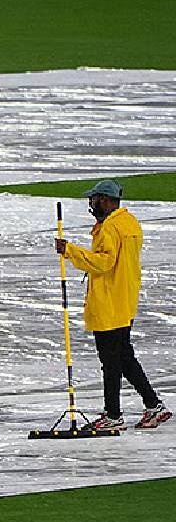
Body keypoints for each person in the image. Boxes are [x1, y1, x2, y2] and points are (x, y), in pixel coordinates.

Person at [55, 179, 171, 429]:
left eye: (95, 200)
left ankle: (113, 415)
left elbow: (103, 263)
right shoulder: (129, 222)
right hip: (125, 299)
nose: (92, 205)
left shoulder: (109, 227)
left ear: (106, 200)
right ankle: (153, 406)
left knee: (111, 361)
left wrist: (70, 251)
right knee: (123, 357)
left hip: (109, 302)